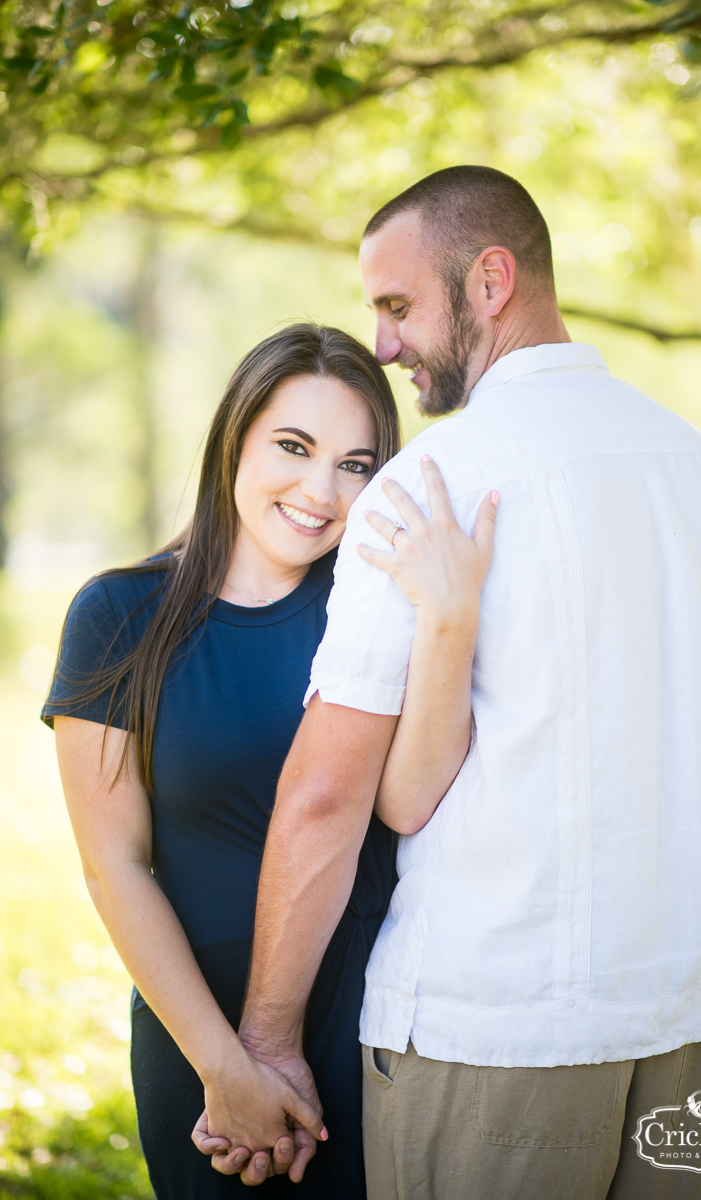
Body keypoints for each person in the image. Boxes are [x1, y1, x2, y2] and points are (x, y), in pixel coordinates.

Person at [201, 169, 701, 1200]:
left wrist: (267, 1040)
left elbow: (331, 796)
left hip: (493, 1031)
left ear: (491, 280)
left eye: (397, 304)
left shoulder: (431, 487)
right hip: (681, 1029)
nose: (382, 342)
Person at [42, 323, 497, 1199]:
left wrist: (448, 620)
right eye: (294, 446)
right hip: (193, 1027)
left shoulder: (374, 613)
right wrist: (228, 1070)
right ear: (234, 437)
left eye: (356, 464)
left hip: (366, 1021)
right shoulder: (119, 615)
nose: (320, 490)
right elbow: (114, 866)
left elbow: (407, 802)